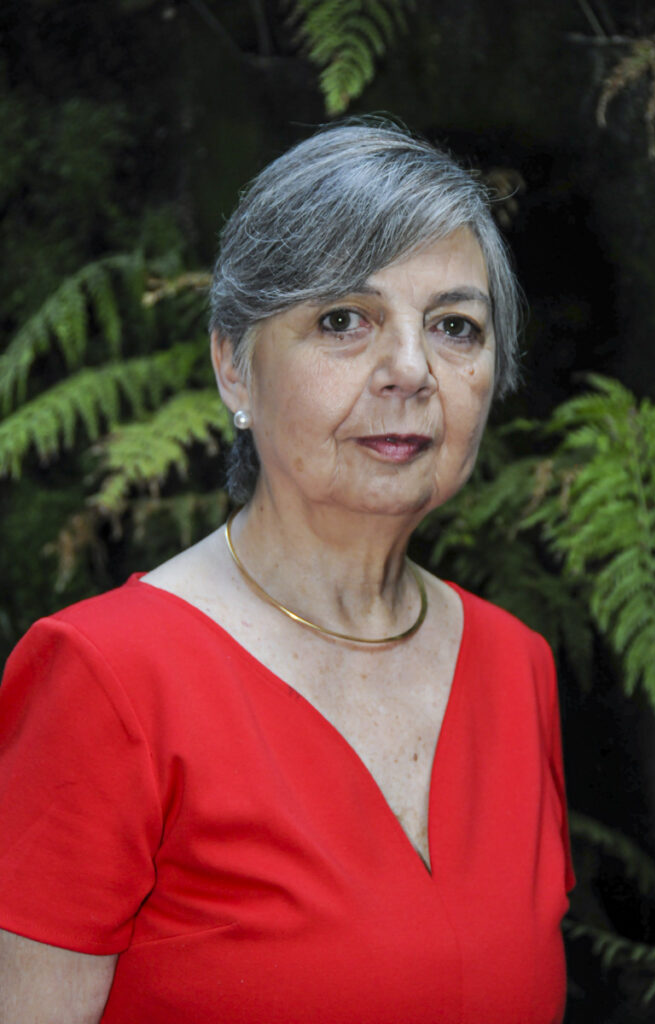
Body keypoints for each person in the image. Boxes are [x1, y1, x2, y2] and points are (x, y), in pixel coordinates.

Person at [0, 120, 574, 1024]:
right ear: (234, 365)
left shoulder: (516, 666)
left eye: (454, 327)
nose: (411, 371)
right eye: (343, 320)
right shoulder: (107, 679)